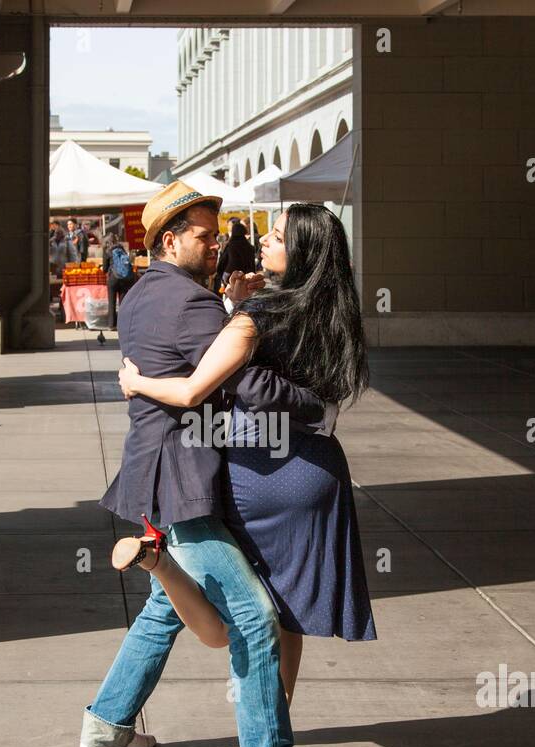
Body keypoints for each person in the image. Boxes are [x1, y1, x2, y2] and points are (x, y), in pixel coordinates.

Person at [82, 180, 354, 747]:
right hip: (186, 482)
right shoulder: (198, 308)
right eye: (205, 235)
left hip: (151, 473)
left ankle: (107, 722)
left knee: (166, 609)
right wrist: (313, 400)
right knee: (256, 620)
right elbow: (248, 385)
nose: (218, 243)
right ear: (170, 240)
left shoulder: (145, 293)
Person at [118, 203, 376, 711]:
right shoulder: (330, 307)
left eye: (276, 237)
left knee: (243, 618)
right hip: (315, 471)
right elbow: (307, 387)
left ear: (298, 251)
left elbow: (204, 388)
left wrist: (138, 382)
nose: (260, 241)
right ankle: (273, 721)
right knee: (286, 615)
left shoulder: (261, 313)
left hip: (257, 474)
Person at [101, 230, 136, 329]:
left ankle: (112, 325)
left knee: (112, 302)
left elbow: (104, 268)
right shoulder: (122, 249)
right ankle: (123, 324)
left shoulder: (107, 250)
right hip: (125, 277)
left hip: (113, 278)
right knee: (123, 302)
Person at [215, 219, 257, 290]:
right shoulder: (249, 247)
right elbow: (252, 263)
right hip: (246, 274)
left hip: (230, 273)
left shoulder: (230, 245)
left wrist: (219, 272)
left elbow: (223, 260)